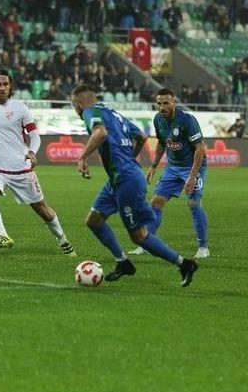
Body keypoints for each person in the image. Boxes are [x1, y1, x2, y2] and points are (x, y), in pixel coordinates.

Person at [71, 83, 198, 287]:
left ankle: (184, 263)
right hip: (118, 178)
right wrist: (129, 158)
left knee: (139, 236)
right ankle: (123, 263)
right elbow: (141, 136)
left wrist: (82, 157)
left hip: (127, 180)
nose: (76, 111)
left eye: (74, 107)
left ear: (78, 104)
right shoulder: (113, 113)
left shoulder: (89, 112)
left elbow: (100, 133)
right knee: (94, 220)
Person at [0, 69, 76, 256]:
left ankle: (62, 239)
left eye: (5, 84)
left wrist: (32, 152)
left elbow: (35, 136)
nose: (2, 88)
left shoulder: (21, 109)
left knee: (42, 210)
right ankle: (3, 235)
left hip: (21, 170)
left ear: (11, 86)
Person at [129, 88, 210, 259]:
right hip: (173, 168)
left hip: (194, 167)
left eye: (166, 103)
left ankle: (203, 247)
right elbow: (161, 143)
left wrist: (193, 176)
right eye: (159, 103)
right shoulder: (158, 119)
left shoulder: (187, 120)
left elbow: (200, 147)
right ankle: (145, 244)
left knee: (194, 203)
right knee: (156, 202)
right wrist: (153, 167)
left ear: (174, 102)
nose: (162, 107)